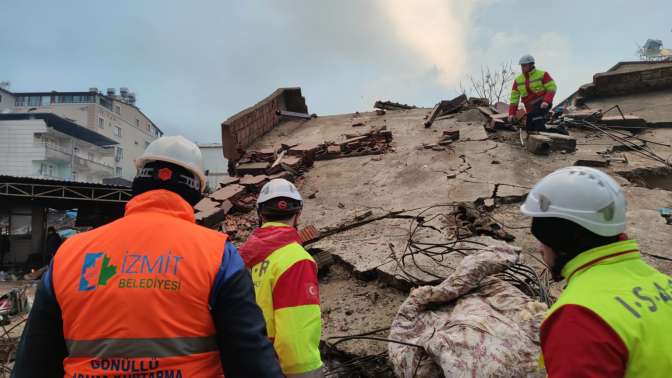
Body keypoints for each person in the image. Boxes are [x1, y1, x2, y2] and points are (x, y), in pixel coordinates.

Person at [13, 136, 282, 377]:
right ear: (196, 190)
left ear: (138, 182)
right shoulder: (217, 254)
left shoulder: (70, 254)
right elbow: (251, 359)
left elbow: (34, 362)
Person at [520, 166, 672, 377]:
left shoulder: (579, 319)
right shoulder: (664, 282)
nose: (540, 249)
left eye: (543, 241)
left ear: (559, 241)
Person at [239, 179, 323, 377]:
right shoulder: (297, 259)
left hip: (246, 360)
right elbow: (295, 333)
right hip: (279, 366)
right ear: (298, 214)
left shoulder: (240, 258)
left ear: (260, 214)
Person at [508, 54, 558, 132]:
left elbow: (552, 87)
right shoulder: (518, 80)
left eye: (524, 66)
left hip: (542, 104)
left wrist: (546, 101)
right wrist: (511, 114)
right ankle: (559, 131)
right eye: (521, 66)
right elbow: (514, 99)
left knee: (537, 123)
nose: (522, 68)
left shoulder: (543, 74)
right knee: (529, 128)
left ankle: (554, 137)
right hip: (530, 109)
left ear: (531, 65)